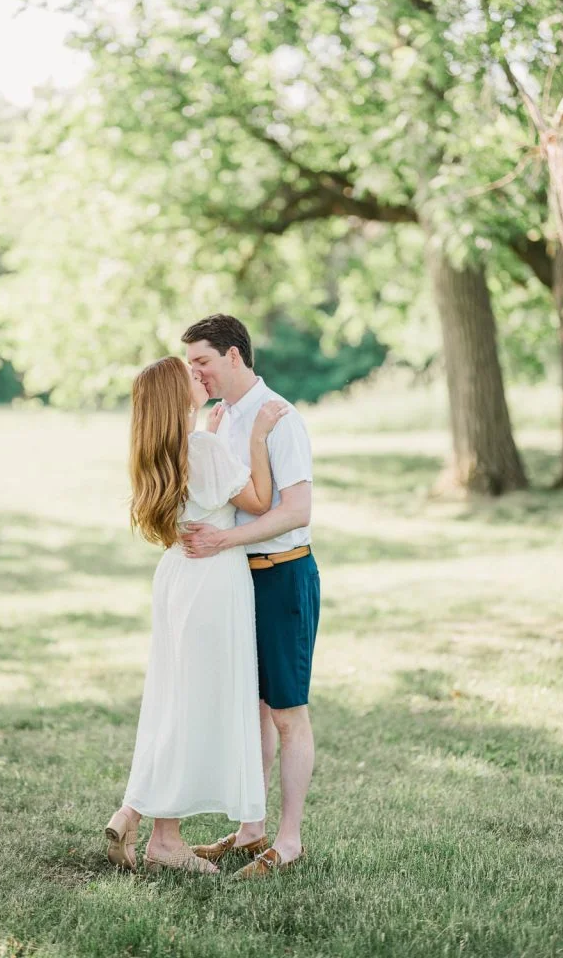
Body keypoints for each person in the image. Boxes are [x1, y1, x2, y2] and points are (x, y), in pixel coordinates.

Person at [104, 355, 288, 874]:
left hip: (178, 576)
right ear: (176, 395)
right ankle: (166, 839)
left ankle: (132, 811)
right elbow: (256, 500)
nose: (198, 375)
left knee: (173, 697)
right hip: (213, 578)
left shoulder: (156, 452)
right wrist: (255, 439)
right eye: (189, 375)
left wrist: (212, 434)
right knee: (195, 704)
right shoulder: (203, 449)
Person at [181, 314, 320, 879]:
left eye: (202, 362)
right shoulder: (224, 420)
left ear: (234, 355)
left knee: (288, 715)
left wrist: (223, 539)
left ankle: (288, 841)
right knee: (253, 714)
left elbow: (296, 509)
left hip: (283, 575)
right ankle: (250, 829)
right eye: (191, 365)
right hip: (239, 579)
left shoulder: (279, 418)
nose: (196, 373)